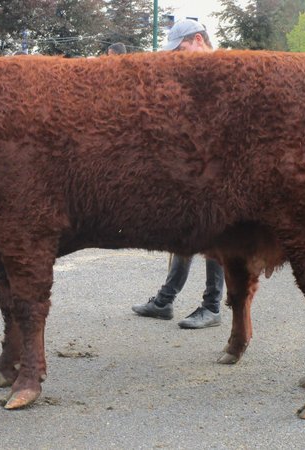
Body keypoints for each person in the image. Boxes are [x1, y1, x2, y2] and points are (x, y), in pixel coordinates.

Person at [131, 19, 224, 329]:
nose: (177, 57)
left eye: (181, 49)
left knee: (215, 235)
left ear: (198, 40)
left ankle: (211, 307)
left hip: (217, 166)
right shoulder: (195, 73)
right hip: (193, 164)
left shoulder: (223, 70)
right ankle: (165, 300)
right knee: (185, 230)